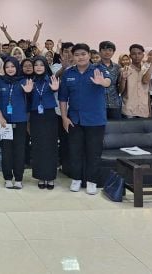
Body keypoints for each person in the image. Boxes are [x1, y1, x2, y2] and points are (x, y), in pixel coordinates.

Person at [58, 44, 111, 194]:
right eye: (77, 55)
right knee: (75, 151)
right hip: (74, 119)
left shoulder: (98, 69)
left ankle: (92, 181)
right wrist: (64, 117)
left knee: (93, 152)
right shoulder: (68, 73)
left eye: (83, 54)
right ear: (73, 57)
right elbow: (63, 98)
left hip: (95, 119)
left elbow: (108, 81)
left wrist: (102, 82)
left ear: (89, 55)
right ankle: (76, 179)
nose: (80, 57)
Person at [0, 58, 31, 190]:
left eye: (13, 67)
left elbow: (30, 101)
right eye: (7, 67)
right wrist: (0, 117)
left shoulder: (24, 81)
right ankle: (8, 178)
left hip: (20, 121)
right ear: (4, 68)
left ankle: (19, 178)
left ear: (17, 67)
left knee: (20, 151)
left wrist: (28, 92)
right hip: (4, 122)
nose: (10, 69)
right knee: (6, 151)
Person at [28, 56, 61, 189]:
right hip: (35, 116)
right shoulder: (31, 81)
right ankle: (41, 176)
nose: (39, 67)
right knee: (38, 146)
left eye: (42, 65)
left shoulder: (51, 79)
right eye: (36, 65)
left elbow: (55, 90)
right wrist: (27, 93)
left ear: (46, 66)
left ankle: (50, 176)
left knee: (50, 146)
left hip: (49, 115)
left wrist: (55, 88)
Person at [119, 44, 151, 118]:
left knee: (143, 130)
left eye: (139, 53)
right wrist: (123, 79)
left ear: (143, 55)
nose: (137, 56)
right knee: (129, 129)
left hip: (144, 109)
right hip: (129, 110)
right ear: (130, 56)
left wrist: (149, 109)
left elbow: (147, 92)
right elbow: (120, 91)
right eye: (134, 54)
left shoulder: (147, 71)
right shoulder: (124, 70)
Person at [98, 41, 122, 119]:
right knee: (100, 128)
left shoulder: (118, 67)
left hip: (114, 104)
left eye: (110, 50)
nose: (107, 52)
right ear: (100, 51)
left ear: (113, 52)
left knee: (116, 128)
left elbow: (120, 86)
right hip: (99, 104)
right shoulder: (94, 67)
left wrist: (123, 78)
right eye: (104, 50)